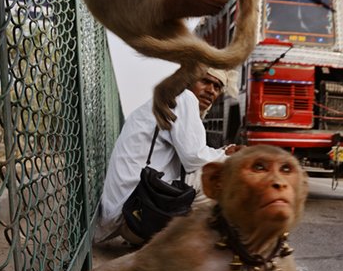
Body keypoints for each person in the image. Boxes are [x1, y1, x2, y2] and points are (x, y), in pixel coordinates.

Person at [96, 66, 238, 245]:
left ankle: (182, 240)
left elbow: (193, 152)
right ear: (188, 81)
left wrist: (222, 152)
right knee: (219, 175)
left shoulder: (168, 100)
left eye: (217, 87)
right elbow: (194, 158)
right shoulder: (184, 98)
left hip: (128, 212)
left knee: (211, 168)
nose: (211, 90)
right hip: (133, 215)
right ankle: (203, 245)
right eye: (205, 81)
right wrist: (231, 158)